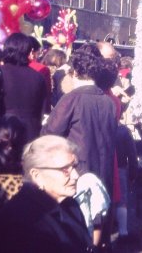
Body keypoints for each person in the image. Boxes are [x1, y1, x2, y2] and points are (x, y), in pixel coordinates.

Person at [0, 135, 94, 253]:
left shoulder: (69, 203)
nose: (76, 175)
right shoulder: (22, 220)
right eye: (65, 169)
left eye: (75, 166)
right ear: (37, 175)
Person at [41, 45, 117, 199]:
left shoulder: (71, 99)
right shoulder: (108, 102)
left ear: (75, 71)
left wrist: (47, 122)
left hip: (77, 176)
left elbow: (49, 135)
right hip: (103, 176)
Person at [1, 33, 47, 143]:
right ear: (28, 51)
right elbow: (43, 108)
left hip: (2, 129)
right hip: (30, 131)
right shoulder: (38, 77)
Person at [28, 36, 52, 113]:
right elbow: (46, 94)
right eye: (38, 53)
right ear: (32, 52)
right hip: (35, 113)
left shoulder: (6, 67)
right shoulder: (42, 69)